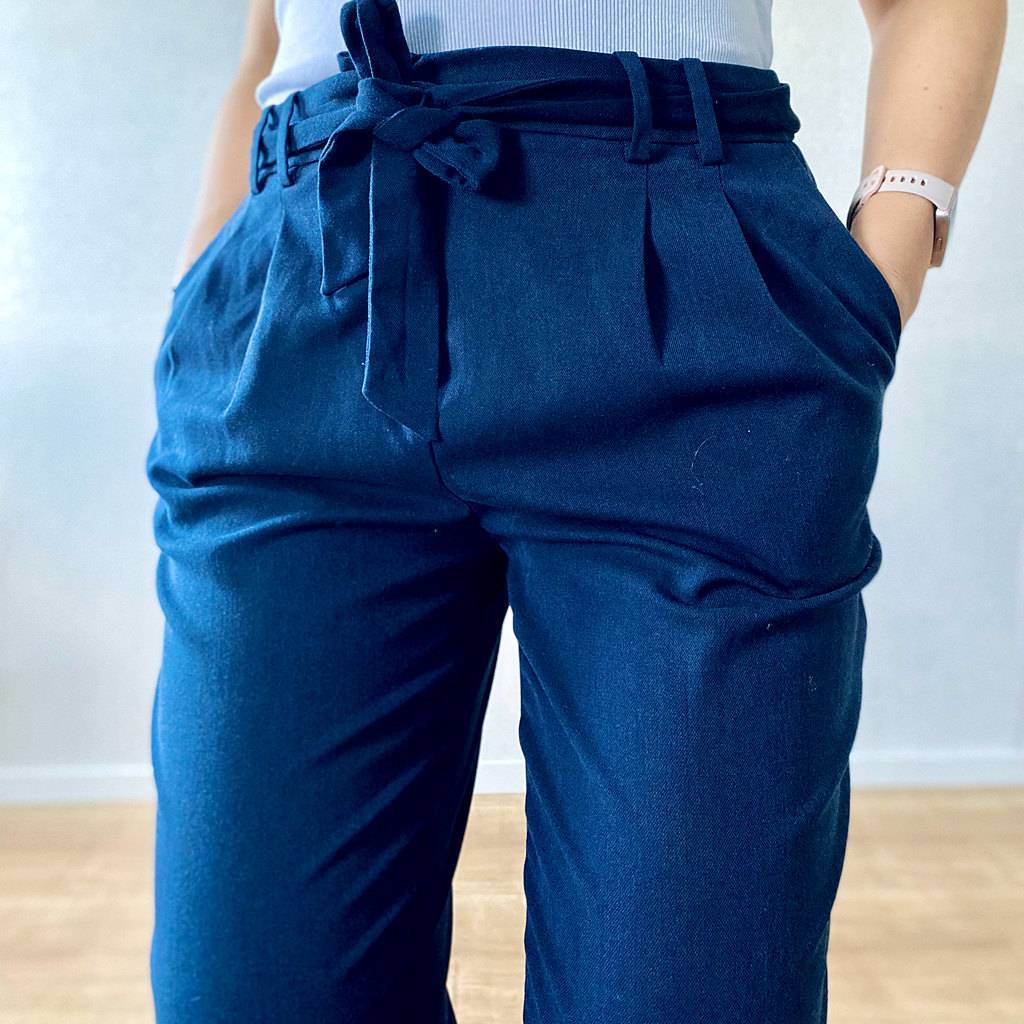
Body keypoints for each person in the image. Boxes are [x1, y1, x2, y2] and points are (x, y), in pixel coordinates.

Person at [145, 1, 1006, 1021]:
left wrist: (884, 262)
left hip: (680, 273)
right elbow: (268, 33)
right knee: (251, 990)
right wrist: (205, 274)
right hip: (306, 276)